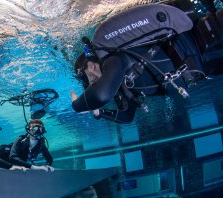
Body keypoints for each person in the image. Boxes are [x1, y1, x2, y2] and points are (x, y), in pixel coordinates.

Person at [71, 3, 223, 124]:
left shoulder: (115, 59)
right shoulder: (122, 83)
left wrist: (77, 106)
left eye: (90, 81)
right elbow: (127, 116)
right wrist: (100, 114)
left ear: (90, 66)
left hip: (206, 39)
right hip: (206, 67)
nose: (92, 85)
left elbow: (101, 95)